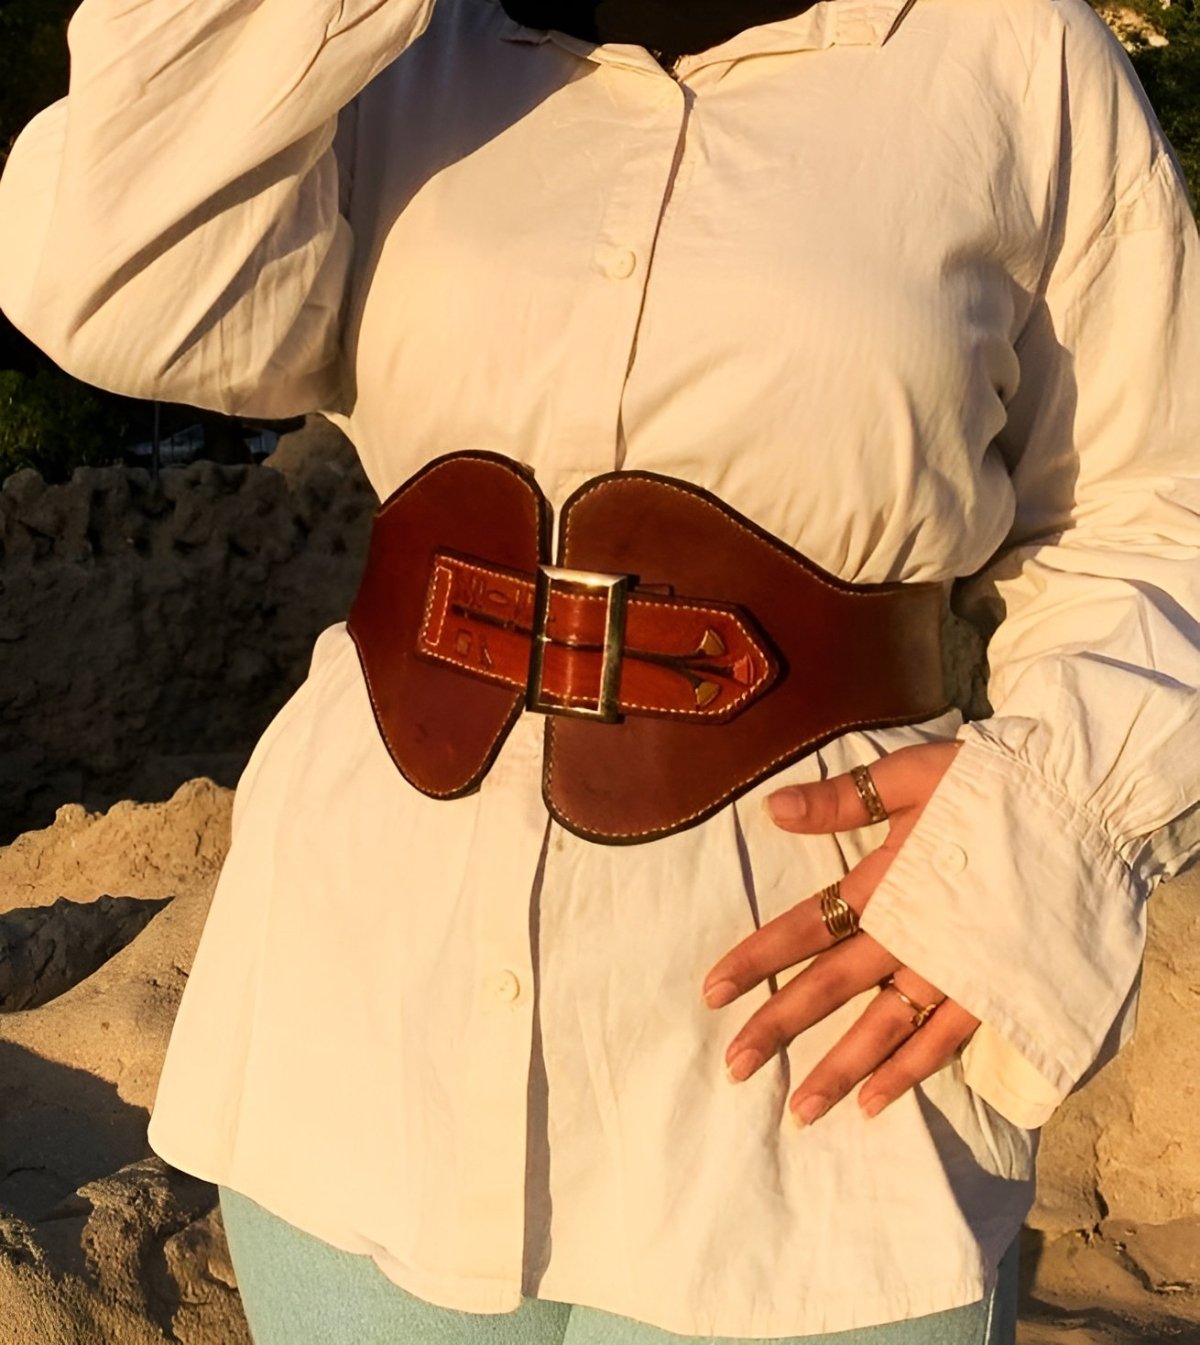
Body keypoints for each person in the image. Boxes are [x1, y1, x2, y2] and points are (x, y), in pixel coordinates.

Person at [1, 0, 1197, 1341]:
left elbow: (1160, 504)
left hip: (806, 1065)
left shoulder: (1014, 54)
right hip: (366, 1025)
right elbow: (109, 280)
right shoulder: (397, 48)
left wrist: (1045, 829)